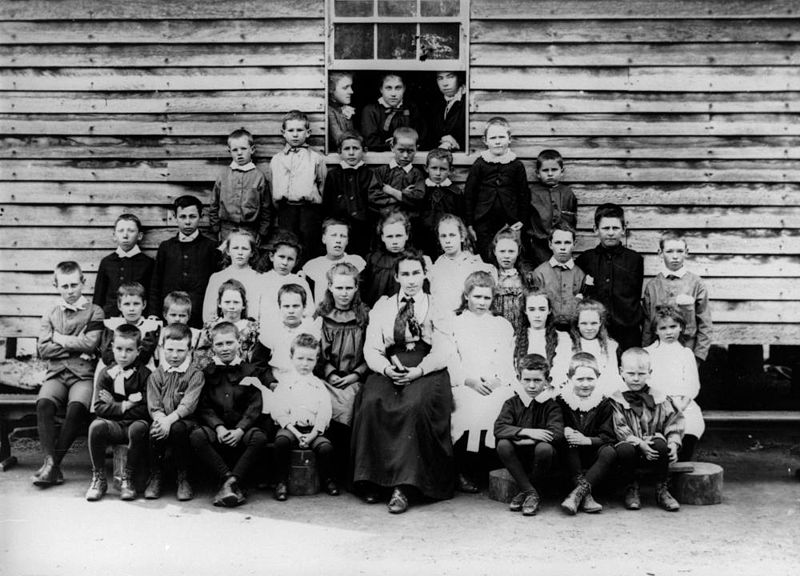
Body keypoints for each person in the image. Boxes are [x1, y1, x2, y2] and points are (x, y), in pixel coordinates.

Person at [353, 250, 454, 514]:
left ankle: (405, 487)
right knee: (373, 400)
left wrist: (419, 371)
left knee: (415, 405)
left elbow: (444, 349)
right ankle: (373, 480)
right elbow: (372, 348)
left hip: (426, 367)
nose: (411, 280)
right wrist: (386, 370)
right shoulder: (384, 306)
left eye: (416, 273)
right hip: (392, 365)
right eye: (405, 274)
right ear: (396, 276)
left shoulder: (436, 305)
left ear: (424, 275)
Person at [34, 261, 104, 487]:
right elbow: (43, 349)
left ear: (83, 282)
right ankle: (51, 463)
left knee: (77, 408)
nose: (70, 290)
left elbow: (91, 344)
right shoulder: (51, 312)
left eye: (74, 284)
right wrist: (77, 344)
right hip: (56, 373)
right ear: (56, 286)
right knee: (44, 403)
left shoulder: (95, 311)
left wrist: (59, 339)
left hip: (82, 375)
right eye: (64, 286)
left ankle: (53, 466)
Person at [449, 271, 517, 491]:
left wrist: (497, 381)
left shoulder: (502, 325)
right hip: (465, 382)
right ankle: (464, 470)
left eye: (486, 298)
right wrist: (469, 381)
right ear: (466, 296)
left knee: (499, 403)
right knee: (468, 407)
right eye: (477, 297)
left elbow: (508, 360)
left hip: (495, 382)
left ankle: (489, 467)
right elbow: (451, 359)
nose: (481, 302)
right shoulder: (455, 323)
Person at [190, 322, 269, 507]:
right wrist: (218, 427)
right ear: (212, 347)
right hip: (218, 431)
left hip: (241, 431)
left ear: (239, 343)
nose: (225, 348)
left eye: (229, 343)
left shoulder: (251, 371)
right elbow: (204, 406)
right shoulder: (206, 373)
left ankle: (231, 483)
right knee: (196, 436)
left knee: (259, 437)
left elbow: (255, 405)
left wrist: (241, 430)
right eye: (219, 344)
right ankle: (228, 479)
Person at [314, 262, 370, 482]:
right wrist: (329, 373)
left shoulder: (364, 315)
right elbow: (315, 351)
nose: (344, 293)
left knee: (352, 403)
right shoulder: (322, 315)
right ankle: (329, 472)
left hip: (355, 377)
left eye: (349, 288)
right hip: (328, 378)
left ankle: (350, 473)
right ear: (330, 286)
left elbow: (371, 350)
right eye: (339, 288)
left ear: (356, 287)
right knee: (323, 402)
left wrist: (355, 374)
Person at [611, 347, 683, 512]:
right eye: (631, 373)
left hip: (653, 445)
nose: (636, 379)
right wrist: (638, 442)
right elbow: (619, 426)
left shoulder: (660, 398)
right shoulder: (616, 399)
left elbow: (674, 422)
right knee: (625, 449)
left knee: (661, 444)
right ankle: (631, 487)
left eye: (641, 374)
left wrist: (673, 442)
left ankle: (661, 488)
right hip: (630, 446)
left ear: (649, 372)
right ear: (621, 372)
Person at [85, 324, 151, 501]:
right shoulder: (106, 374)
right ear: (112, 348)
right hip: (114, 426)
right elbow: (99, 407)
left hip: (135, 426)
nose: (123, 355)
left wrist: (113, 404)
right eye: (119, 349)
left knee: (139, 427)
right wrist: (127, 405)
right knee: (96, 426)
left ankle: (126, 478)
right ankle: (98, 478)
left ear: (138, 351)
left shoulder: (145, 374)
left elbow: (146, 410)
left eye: (129, 350)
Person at [494, 354, 564, 516]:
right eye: (527, 380)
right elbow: (499, 428)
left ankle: (527, 491)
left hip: (542, 460)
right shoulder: (512, 403)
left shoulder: (551, 406)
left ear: (547, 380)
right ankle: (531, 492)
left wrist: (522, 441)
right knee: (503, 445)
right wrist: (528, 432)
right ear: (519, 378)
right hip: (518, 458)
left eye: (538, 380)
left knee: (545, 448)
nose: (532, 386)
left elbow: (557, 433)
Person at [271, 333, 337, 501]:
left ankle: (327, 479)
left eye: (310, 360)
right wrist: (297, 433)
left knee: (325, 448)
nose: (304, 364)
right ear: (291, 358)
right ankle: (281, 481)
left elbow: (324, 412)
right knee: (281, 442)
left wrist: (313, 434)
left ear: (316, 360)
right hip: (291, 428)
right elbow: (279, 411)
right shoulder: (285, 383)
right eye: (300, 358)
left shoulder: (318, 385)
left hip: (313, 430)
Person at [145, 323, 205, 501]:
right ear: (162, 348)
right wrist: (160, 420)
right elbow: (154, 405)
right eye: (170, 349)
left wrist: (168, 421)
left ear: (190, 349)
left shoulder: (195, 374)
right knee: (154, 429)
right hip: (164, 419)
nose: (174, 355)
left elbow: (188, 405)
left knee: (178, 428)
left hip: (187, 421)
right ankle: (156, 476)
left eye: (180, 350)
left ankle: (183, 478)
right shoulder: (156, 375)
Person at [576, 203, 644, 352]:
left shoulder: (635, 260)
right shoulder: (586, 259)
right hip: (596, 331)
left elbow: (635, 294)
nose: (611, 233)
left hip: (627, 332)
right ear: (596, 230)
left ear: (624, 230)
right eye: (606, 228)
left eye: (615, 228)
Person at [556, 352, 617, 515]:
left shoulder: (603, 403)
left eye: (590, 379)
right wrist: (564, 429)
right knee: (569, 443)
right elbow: (553, 425)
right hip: (569, 455)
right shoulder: (562, 400)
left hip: (593, 453)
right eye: (580, 379)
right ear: (569, 378)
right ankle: (586, 496)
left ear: (598, 377)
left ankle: (578, 493)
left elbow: (608, 436)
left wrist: (587, 440)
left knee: (610, 451)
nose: (585, 384)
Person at [150, 194, 222, 328]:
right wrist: (154, 313)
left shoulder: (211, 247)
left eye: (192, 216)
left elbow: (217, 284)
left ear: (201, 216)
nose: (187, 222)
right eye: (183, 217)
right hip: (171, 316)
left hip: (200, 315)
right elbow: (156, 283)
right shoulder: (166, 247)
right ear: (175, 217)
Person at [642, 231, 713, 365]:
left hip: (687, 348)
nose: (675, 256)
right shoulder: (652, 286)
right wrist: (646, 353)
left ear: (686, 252)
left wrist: (698, 357)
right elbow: (647, 324)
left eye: (680, 251)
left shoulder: (696, 284)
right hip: (658, 350)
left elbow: (705, 324)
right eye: (669, 251)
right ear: (660, 253)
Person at [644, 305, 705, 461]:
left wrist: (680, 406)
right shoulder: (648, 353)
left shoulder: (685, 354)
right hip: (656, 403)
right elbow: (646, 383)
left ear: (681, 328)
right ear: (656, 331)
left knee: (691, 421)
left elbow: (692, 385)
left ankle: (681, 461)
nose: (669, 332)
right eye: (663, 328)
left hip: (680, 402)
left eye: (673, 326)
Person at [465, 116, 529, 261]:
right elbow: (469, 194)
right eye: (493, 138)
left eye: (501, 137)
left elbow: (524, 194)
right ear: (485, 141)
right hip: (483, 221)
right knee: (485, 254)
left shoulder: (516, 165)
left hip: (509, 220)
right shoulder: (480, 164)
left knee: (507, 254)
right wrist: (469, 223)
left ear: (509, 139)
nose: (498, 141)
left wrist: (522, 220)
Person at [270, 110, 327, 262]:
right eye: (291, 130)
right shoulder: (277, 159)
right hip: (286, 209)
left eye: (299, 130)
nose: (295, 134)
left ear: (308, 133)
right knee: (287, 244)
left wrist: (316, 204)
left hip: (309, 210)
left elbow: (322, 184)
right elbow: (273, 186)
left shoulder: (315, 159)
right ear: (283, 133)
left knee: (309, 245)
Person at [208, 127, 272, 244]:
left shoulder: (259, 177)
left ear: (252, 149)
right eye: (235, 150)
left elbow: (266, 208)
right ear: (229, 151)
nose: (239, 153)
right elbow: (214, 204)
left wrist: (262, 232)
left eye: (243, 148)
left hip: (250, 228)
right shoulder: (223, 176)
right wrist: (216, 228)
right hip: (226, 228)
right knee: (226, 258)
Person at [428, 214, 493, 329]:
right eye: (443, 236)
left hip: (469, 324)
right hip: (443, 325)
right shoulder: (435, 268)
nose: (448, 241)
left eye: (452, 235)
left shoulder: (475, 265)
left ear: (462, 237)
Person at [322, 131, 377, 256]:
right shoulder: (333, 175)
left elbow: (373, 202)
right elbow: (327, 204)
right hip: (340, 229)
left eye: (356, 148)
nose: (351, 153)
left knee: (361, 257)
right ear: (339, 152)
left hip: (364, 228)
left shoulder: (369, 174)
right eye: (347, 149)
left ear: (364, 150)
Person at [554, 299, 623, 395]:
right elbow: (559, 373)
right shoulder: (567, 344)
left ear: (600, 323)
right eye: (584, 323)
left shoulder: (610, 346)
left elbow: (613, 376)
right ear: (577, 323)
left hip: (602, 395)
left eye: (593, 323)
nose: (589, 328)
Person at [256, 284, 322, 385]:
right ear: (280, 307)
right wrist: (270, 382)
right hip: (277, 380)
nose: (291, 311)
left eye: (296, 306)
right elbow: (258, 364)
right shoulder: (270, 331)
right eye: (286, 306)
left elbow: (318, 362)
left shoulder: (311, 331)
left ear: (304, 307)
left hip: (305, 381)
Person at [93, 213, 154, 318]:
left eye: (131, 231)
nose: (125, 235)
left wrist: (152, 315)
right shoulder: (107, 262)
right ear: (114, 236)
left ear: (140, 236)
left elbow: (152, 294)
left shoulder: (148, 263)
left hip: (139, 319)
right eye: (121, 231)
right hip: (110, 318)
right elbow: (99, 297)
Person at [531, 222, 586, 331]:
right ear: (550, 244)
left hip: (573, 330)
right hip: (547, 329)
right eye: (558, 243)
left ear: (574, 244)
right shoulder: (540, 273)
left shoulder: (580, 275)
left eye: (567, 243)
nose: (562, 247)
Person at [255, 230, 314, 331]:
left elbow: (310, 310)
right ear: (272, 256)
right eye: (281, 257)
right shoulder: (261, 279)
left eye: (290, 259)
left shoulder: (300, 282)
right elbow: (255, 311)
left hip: (294, 330)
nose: (285, 263)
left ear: (296, 262)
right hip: (267, 330)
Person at [195, 279, 260, 370]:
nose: (232, 306)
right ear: (219, 303)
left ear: (243, 305)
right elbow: (200, 357)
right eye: (227, 302)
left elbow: (257, 360)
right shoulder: (210, 328)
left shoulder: (252, 329)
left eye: (236, 302)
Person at [527, 149, 577, 267]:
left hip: (561, 245)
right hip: (537, 246)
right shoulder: (532, 193)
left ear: (562, 171)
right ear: (538, 173)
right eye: (545, 170)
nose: (550, 174)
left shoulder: (567, 193)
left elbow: (572, 220)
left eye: (554, 170)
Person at [368, 126, 425, 230]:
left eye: (410, 151)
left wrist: (392, 191)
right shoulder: (380, 172)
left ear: (417, 149)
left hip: (409, 222)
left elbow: (418, 197)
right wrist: (403, 195)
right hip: (383, 221)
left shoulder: (417, 174)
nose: (405, 155)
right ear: (392, 147)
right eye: (401, 150)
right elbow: (373, 196)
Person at [202, 228, 263, 324]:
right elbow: (208, 315)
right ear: (228, 251)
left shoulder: (259, 279)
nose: (240, 252)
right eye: (235, 248)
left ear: (252, 253)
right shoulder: (217, 278)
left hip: (249, 331)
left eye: (245, 248)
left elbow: (259, 314)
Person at [97, 282, 160, 372]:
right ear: (119, 305)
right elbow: (107, 355)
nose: (131, 309)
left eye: (136, 304)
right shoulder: (112, 325)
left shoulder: (150, 328)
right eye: (127, 304)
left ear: (144, 304)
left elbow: (144, 356)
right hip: (114, 368)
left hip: (140, 371)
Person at [302, 218, 366, 305]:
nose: (338, 240)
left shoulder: (356, 262)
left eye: (343, 236)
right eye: (333, 235)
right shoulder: (313, 266)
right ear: (324, 239)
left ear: (347, 241)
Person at [362, 209, 417, 306]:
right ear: (382, 237)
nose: (394, 241)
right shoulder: (373, 260)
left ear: (407, 235)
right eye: (390, 236)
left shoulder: (414, 260)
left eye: (399, 236)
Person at [514, 288, 572, 377]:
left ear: (549, 310)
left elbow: (562, 370)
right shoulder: (516, 339)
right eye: (532, 309)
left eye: (542, 309)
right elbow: (509, 371)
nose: (537, 315)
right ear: (525, 311)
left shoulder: (562, 338)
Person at [419, 148, 465, 257]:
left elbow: (461, 217)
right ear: (426, 168)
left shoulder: (455, 193)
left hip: (447, 240)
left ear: (450, 170)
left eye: (443, 169)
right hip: (423, 239)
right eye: (434, 168)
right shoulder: (420, 191)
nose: (438, 173)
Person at [360, 73, 424, 152]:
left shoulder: (412, 108)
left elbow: (419, 136)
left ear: (404, 89)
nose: (393, 94)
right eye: (388, 88)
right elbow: (371, 142)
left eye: (398, 88)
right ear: (381, 89)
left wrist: (397, 142)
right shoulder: (371, 110)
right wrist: (392, 144)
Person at [490, 224, 532, 341]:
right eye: (502, 251)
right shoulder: (491, 277)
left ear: (518, 251)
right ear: (494, 251)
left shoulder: (526, 278)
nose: (506, 256)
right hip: (496, 334)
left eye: (511, 251)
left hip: (521, 334)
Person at [155, 291, 201, 364]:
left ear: (188, 317)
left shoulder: (196, 334)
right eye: (173, 315)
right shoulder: (159, 333)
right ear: (165, 315)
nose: (177, 319)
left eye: (182, 315)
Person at [427, 71, 466, 152]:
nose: (445, 83)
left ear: (459, 78)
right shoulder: (436, 103)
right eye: (440, 78)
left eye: (450, 77)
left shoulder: (468, 100)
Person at [327, 72, 356, 151]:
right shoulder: (329, 112)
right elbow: (340, 141)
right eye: (345, 87)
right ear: (331, 90)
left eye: (350, 87)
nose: (351, 91)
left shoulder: (344, 109)